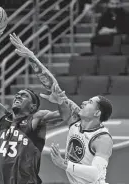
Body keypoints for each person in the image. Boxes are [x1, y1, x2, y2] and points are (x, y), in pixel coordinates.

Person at [10, 33, 113, 184]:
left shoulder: (102, 139)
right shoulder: (75, 119)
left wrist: (64, 164)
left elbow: (95, 174)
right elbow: (53, 87)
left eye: (90, 102)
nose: (84, 102)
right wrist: (31, 57)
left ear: (97, 113)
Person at [0, 28, 61, 184]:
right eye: (17, 94)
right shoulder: (1, 116)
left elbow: (67, 114)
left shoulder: (37, 119)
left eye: (24, 95)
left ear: (33, 107)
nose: (18, 95)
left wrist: (60, 98)